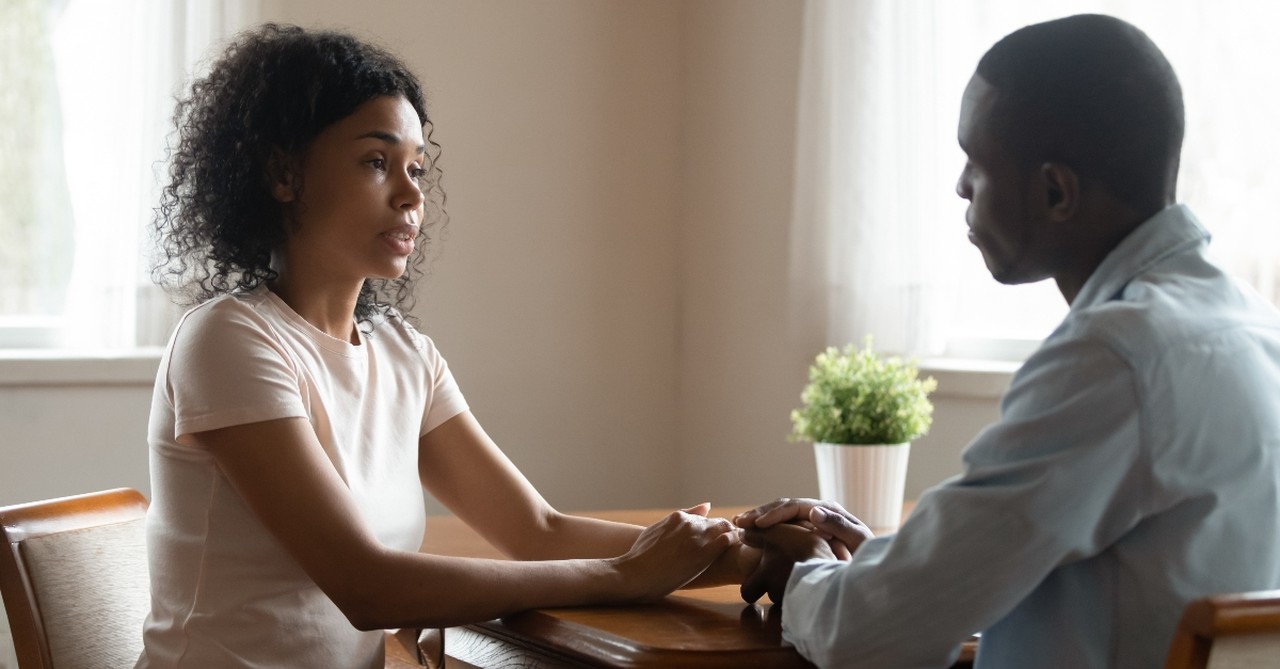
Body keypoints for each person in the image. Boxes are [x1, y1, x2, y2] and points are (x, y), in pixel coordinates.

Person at [138, 24, 748, 668]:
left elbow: (537, 532)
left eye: (416, 168)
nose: (411, 195)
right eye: (376, 162)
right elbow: (367, 587)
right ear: (283, 173)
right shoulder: (229, 340)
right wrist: (627, 577)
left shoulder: (404, 354)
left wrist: (745, 550)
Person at [734, 13, 1280, 669]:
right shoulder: (1250, 325)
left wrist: (812, 574)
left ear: (1056, 191)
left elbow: (871, 637)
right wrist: (894, 557)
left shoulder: (1114, 357)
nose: (960, 186)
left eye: (976, 160)